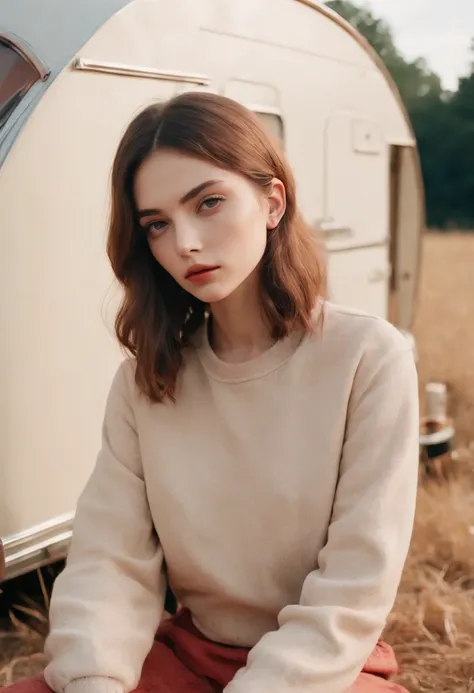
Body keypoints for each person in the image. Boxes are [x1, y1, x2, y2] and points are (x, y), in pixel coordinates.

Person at [4, 92, 419, 693]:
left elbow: (354, 584)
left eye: (209, 203)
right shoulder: (145, 381)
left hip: (321, 669)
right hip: (184, 656)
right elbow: (107, 564)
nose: (186, 243)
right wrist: (94, 680)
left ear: (272, 201)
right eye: (157, 225)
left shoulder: (368, 358)